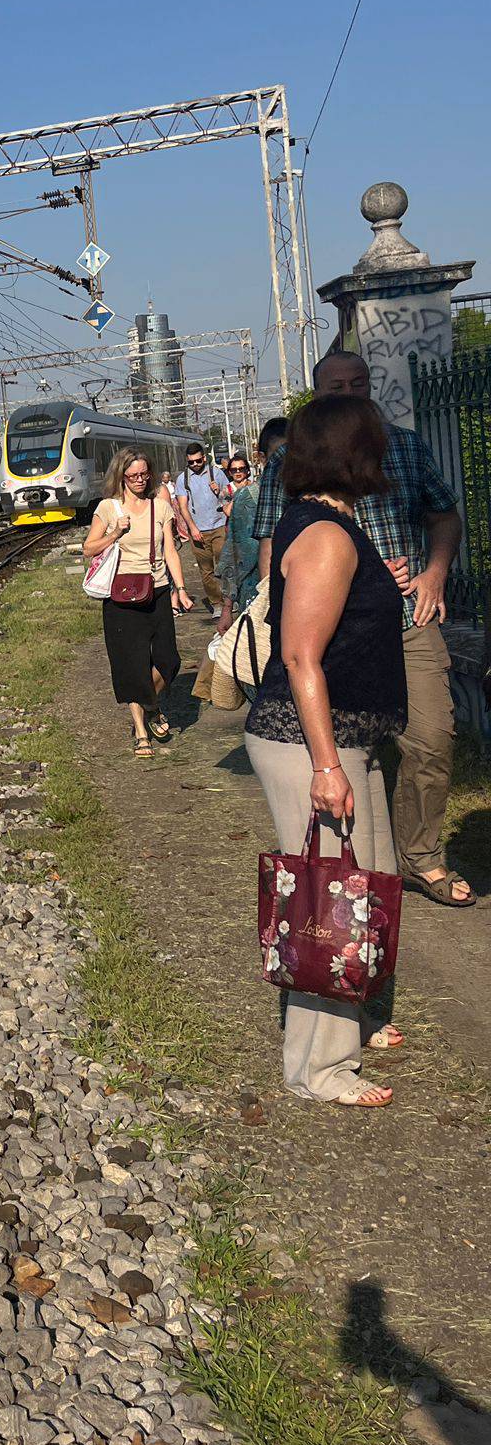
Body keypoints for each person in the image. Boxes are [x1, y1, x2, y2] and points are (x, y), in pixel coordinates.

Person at [256, 350, 471, 905]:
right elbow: (301, 640)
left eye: (359, 383)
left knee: (427, 746)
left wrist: (431, 574)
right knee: (335, 897)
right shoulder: (314, 506)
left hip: (393, 641)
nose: (350, 393)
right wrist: (325, 765)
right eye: (337, 386)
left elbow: (444, 514)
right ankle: (332, 982)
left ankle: (419, 860)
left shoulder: (390, 457)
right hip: (332, 672)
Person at [245, 395, 405, 1105]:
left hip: (342, 735)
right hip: (312, 740)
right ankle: (318, 1068)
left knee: (367, 880)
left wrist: (382, 589)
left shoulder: (329, 526)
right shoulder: (327, 536)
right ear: (354, 451)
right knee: (328, 897)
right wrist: (327, 765)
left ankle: (353, 1013)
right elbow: (302, 657)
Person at [82, 449, 195, 755]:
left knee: (168, 661)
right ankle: (141, 730)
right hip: (121, 596)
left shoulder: (161, 507)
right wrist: (115, 533)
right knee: (131, 665)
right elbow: (88, 549)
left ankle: (151, 704)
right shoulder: (108, 508)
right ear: (121, 476)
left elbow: (170, 550)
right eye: (133, 476)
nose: (140, 480)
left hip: (156, 591)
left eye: (144, 474)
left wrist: (180, 588)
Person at [217, 418, 288, 619]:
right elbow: (234, 551)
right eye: (278, 455)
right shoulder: (247, 498)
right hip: (255, 598)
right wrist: (226, 608)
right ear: (262, 458)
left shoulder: (313, 496)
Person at [172, 442, 233, 610]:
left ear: (204, 458)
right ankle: (216, 603)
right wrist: (192, 528)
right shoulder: (182, 479)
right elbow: (183, 506)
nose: (195, 465)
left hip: (219, 525)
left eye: (198, 461)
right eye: (190, 462)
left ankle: (229, 598)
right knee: (206, 570)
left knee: (224, 564)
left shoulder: (217, 473)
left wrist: (218, 492)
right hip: (198, 530)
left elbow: (228, 500)